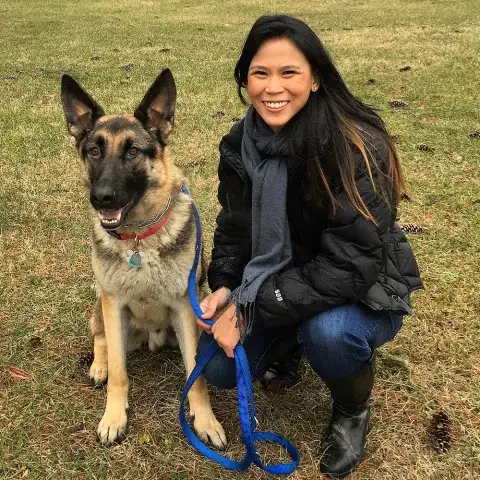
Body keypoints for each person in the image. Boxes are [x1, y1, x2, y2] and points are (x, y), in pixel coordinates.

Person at [196, 14, 422, 478]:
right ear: (244, 78)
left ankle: (352, 409)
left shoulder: (355, 144)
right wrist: (225, 286)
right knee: (217, 368)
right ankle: (290, 342)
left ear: (315, 78)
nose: (272, 87)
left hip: (363, 286)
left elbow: (350, 265)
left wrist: (251, 307)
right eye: (260, 73)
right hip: (283, 281)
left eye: (289, 72)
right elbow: (234, 227)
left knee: (329, 334)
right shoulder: (241, 143)